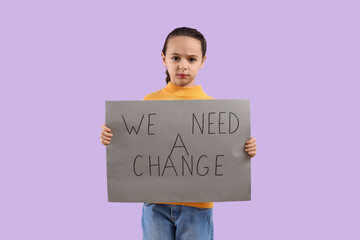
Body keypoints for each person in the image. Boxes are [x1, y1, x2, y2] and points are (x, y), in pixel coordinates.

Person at [100, 27, 257, 240]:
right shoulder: (149, 101)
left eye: (191, 59)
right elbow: (136, 148)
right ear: (164, 59)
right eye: (176, 58)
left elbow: (223, 153)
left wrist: (245, 149)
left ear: (203, 61)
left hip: (198, 206)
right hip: (156, 204)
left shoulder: (215, 110)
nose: (183, 65)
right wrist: (112, 137)